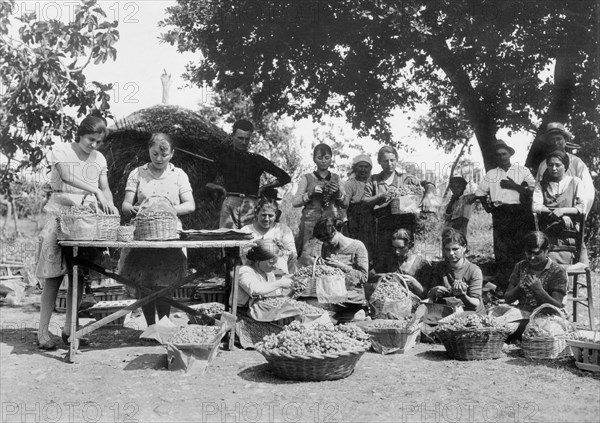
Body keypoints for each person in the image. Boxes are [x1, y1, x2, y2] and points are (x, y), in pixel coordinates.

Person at [36, 115, 118, 350]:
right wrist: (95, 191)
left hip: (86, 221)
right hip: (61, 217)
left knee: (78, 276)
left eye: (99, 142)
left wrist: (108, 205)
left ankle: (70, 329)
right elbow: (66, 175)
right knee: (53, 277)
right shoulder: (61, 150)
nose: (94, 145)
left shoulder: (99, 158)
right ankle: (43, 332)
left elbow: (105, 189)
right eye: (91, 139)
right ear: (80, 133)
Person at [119, 133, 195, 328]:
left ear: (172, 153)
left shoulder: (179, 175)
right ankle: (151, 326)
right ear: (149, 151)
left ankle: (164, 325)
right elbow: (126, 205)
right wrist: (135, 208)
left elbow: (190, 205)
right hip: (144, 234)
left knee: (165, 281)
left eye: (164, 154)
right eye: (154, 154)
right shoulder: (138, 173)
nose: (159, 159)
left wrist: (165, 209)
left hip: (169, 234)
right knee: (146, 281)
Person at [475, 139, 536, 292]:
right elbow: (481, 193)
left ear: (509, 154)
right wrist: (488, 208)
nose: (501, 157)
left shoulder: (522, 170)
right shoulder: (492, 174)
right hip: (501, 213)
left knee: (520, 248)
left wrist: (514, 186)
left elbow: (533, 190)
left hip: (520, 213)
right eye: (498, 155)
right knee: (502, 251)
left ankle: (523, 286)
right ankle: (504, 285)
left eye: (504, 154)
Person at [206, 119, 291, 229]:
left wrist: (265, 187)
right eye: (240, 138)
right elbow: (207, 183)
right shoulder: (224, 157)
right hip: (230, 203)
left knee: (249, 241)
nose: (244, 142)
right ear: (233, 136)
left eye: (247, 139)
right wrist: (220, 189)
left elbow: (285, 177)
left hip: (251, 205)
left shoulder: (257, 160)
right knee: (226, 239)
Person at [363, 145, 435, 273]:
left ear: (396, 160)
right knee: (384, 260)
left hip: (404, 225)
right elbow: (364, 202)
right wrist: (380, 196)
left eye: (392, 160)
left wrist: (428, 195)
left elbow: (428, 184)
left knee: (405, 259)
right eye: (385, 161)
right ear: (379, 162)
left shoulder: (405, 178)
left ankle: (408, 282)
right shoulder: (374, 180)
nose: (389, 164)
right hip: (383, 228)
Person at [501, 231, 568, 340]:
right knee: (495, 319)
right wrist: (518, 287)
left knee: (536, 330)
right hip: (522, 315)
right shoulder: (520, 266)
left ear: (546, 251)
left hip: (546, 318)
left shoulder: (557, 271)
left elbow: (557, 307)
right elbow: (507, 298)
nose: (532, 257)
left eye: (536, 253)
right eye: (529, 252)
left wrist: (539, 290)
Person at [293, 143, 349, 263]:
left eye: (327, 158)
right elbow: (295, 202)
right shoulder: (307, 178)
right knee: (307, 257)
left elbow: (345, 203)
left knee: (330, 257)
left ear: (331, 159)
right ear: (314, 159)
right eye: (320, 158)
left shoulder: (337, 179)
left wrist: (338, 194)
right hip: (310, 224)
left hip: (331, 224)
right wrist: (310, 194)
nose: (323, 161)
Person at [312, 217, 369, 322]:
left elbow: (364, 277)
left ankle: (358, 314)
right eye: (323, 241)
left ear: (336, 232)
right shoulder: (327, 247)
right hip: (332, 296)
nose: (325, 244)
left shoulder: (358, 247)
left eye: (327, 240)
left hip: (351, 298)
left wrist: (342, 267)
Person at [532, 150, 585, 264]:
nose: (554, 168)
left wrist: (562, 211)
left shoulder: (575, 182)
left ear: (565, 166)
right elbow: (536, 207)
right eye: (550, 165)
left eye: (558, 165)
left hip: (570, 234)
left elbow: (581, 208)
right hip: (549, 232)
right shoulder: (541, 185)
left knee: (580, 267)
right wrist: (558, 216)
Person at [534, 122, 595, 215]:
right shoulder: (543, 165)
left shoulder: (576, 163)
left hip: (573, 215)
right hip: (548, 217)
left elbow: (588, 192)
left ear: (565, 140)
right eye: (551, 140)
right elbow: (538, 193)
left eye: (558, 139)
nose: (555, 143)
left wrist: (581, 217)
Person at [427, 229, 484, 313]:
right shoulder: (440, 267)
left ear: (464, 248)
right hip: (448, 309)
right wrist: (434, 291)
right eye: (447, 249)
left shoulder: (474, 270)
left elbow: (475, 303)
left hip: (470, 311)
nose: (451, 253)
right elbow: (429, 295)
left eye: (455, 249)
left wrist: (462, 295)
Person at [241, 197, 297, 274]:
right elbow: (242, 254)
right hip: (253, 273)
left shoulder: (283, 230)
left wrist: (282, 249)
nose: (267, 219)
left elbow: (293, 255)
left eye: (270, 216)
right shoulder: (246, 230)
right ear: (257, 213)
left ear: (276, 215)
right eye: (263, 215)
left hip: (279, 273)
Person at [236, 240, 294, 308]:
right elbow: (255, 290)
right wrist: (280, 283)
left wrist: (293, 288)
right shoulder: (244, 271)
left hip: (263, 312)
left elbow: (274, 297)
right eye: (271, 263)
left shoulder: (269, 273)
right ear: (258, 261)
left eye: (276, 262)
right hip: (243, 313)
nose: (275, 266)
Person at [344, 154, 374, 258]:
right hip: (355, 218)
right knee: (356, 243)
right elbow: (345, 204)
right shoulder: (350, 184)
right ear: (355, 168)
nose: (363, 170)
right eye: (360, 166)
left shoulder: (373, 183)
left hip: (370, 218)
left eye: (366, 167)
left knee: (370, 243)